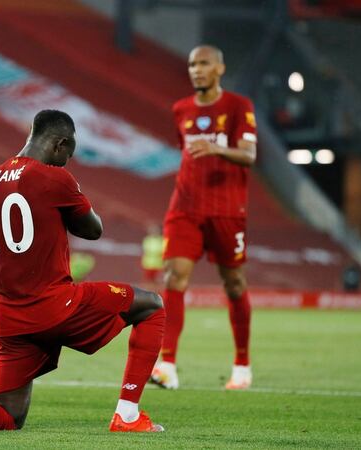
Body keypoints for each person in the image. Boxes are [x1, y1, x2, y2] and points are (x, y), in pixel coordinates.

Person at [0, 110, 166, 433]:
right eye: (69, 155)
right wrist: (73, 194)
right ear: (60, 144)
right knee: (152, 305)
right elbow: (93, 230)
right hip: (58, 306)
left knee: (8, 419)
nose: (67, 162)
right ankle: (127, 415)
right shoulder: (56, 178)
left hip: (10, 320)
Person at [150, 45, 257, 391]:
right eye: (192, 64)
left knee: (234, 283)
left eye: (204, 63)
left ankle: (242, 365)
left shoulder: (239, 107)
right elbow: (187, 154)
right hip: (185, 208)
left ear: (220, 68)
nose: (196, 69)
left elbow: (249, 154)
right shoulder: (180, 109)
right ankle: (167, 365)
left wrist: (217, 148)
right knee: (174, 276)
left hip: (227, 210)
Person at [140, 223, 164, 290]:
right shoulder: (147, 240)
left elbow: (163, 252)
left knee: (158, 282)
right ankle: (148, 296)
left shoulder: (162, 240)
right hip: (148, 264)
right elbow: (146, 251)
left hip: (159, 265)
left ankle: (158, 296)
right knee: (148, 282)